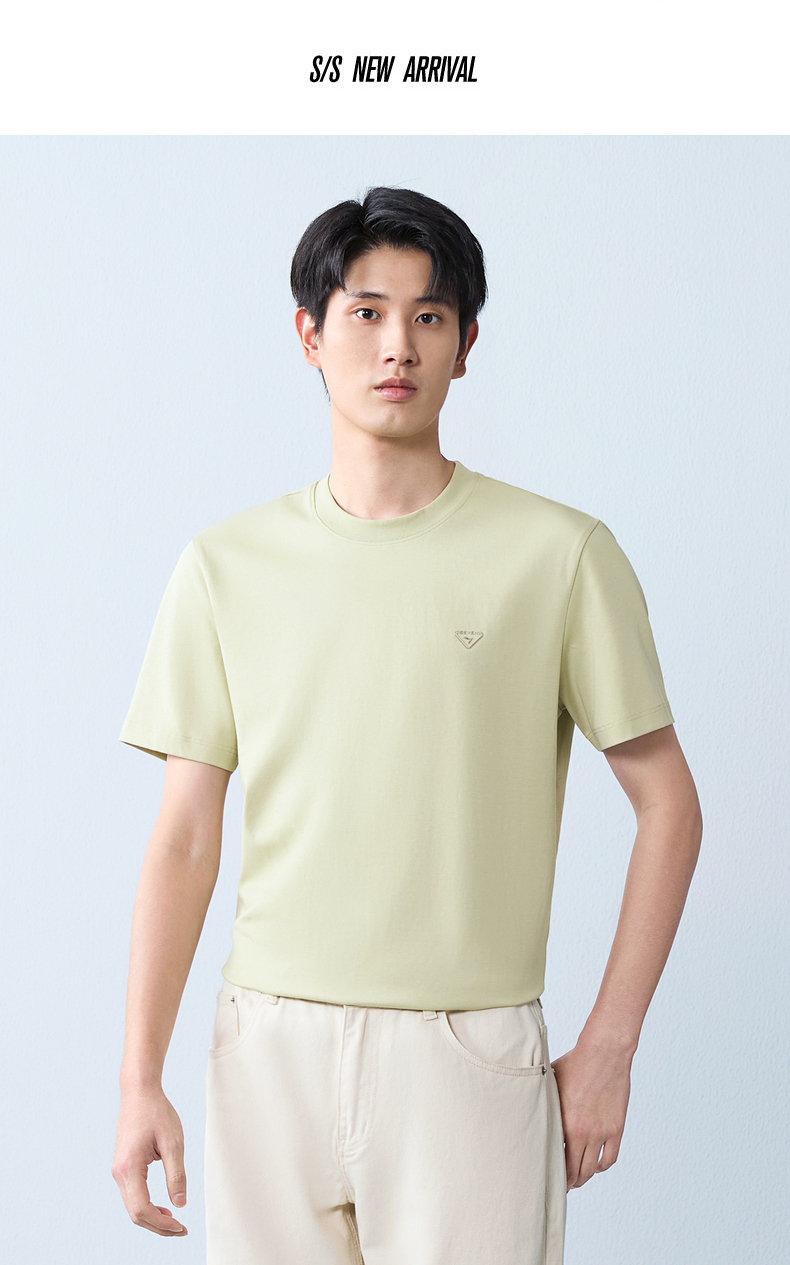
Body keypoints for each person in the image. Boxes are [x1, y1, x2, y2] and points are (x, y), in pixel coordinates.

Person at [111, 186, 702, 1264]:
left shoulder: (558, 554)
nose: (398, 345)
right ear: (309, 334)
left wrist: (610, 1044)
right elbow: (185, 835)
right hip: (267, 1045)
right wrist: (137, 1076)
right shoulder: (223, 565)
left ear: (466, 345)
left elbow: (668, 803)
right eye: (367, 312)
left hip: (465, 1050)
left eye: (430, 316)